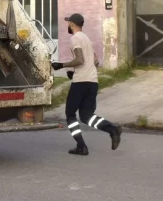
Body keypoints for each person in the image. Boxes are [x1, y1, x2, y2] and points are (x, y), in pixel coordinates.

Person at [51, 13, 122, 156]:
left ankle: (81, 146)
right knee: (86, 116)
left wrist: (61, 65)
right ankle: (112, 129)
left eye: (68, 23)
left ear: (72, 24)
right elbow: (94, 61)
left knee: (70, 114)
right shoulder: (86, 39)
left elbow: (80, 60)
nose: (67, 26)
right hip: (92, 81)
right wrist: (75, 72)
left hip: (81, 83)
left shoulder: (75, 38)